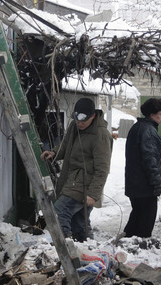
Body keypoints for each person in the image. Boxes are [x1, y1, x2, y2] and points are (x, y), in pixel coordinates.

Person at [40, 98, 113, 242]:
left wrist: (93, 193)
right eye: (77, 120)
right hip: (71, 179)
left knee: (59, 212)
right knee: (80, 223)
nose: (80, 123)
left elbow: (102, 168)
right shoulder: (75, 126)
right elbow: (66, 145)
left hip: (85, 184)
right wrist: (54, 152)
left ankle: (66, 249)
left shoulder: (101, 135)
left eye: (83, 121)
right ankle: (89, 252)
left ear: (93, 116)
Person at [123, 98, 161, 239]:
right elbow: (150, 159)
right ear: (152, 115)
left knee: (137, 216)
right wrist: (156, 183)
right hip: (145, 186)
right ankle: (140, 247)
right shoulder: (149, 131)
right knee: (145, 223)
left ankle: (128, 242)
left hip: (135, 184)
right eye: (160, 114)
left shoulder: (136, 128)